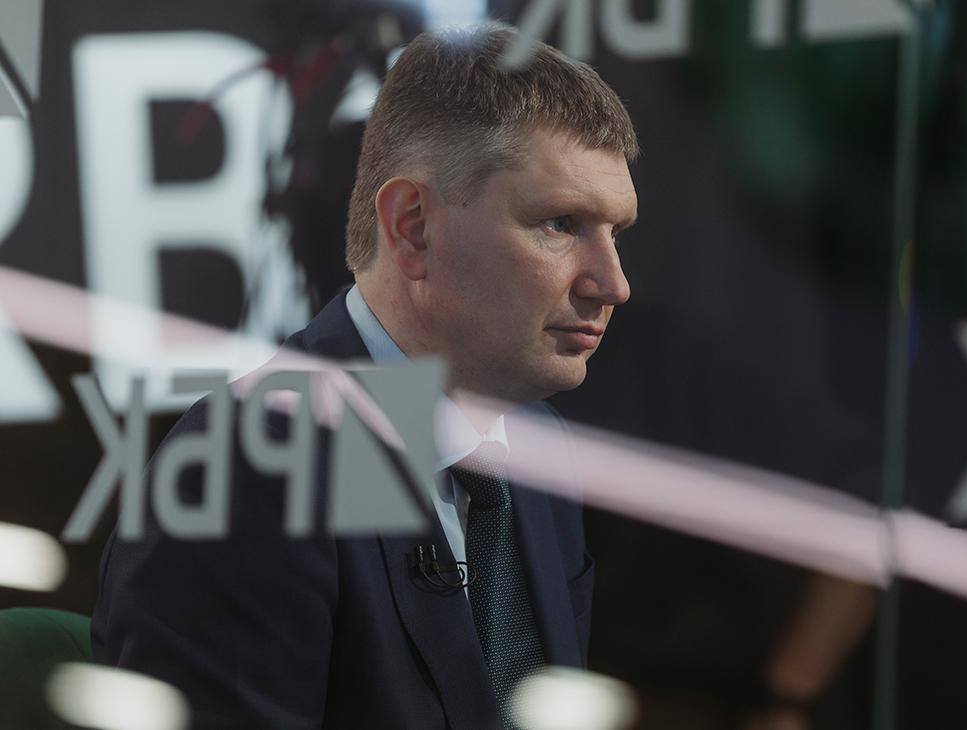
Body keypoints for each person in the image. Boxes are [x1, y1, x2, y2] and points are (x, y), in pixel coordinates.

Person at [91, 22, 639, 730]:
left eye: (615, 233)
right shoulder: (255, 468)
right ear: (412, 227)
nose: (612, 284)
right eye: (560, 224)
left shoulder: (540, 450)